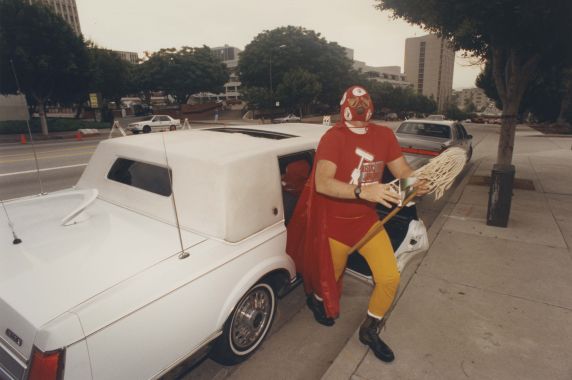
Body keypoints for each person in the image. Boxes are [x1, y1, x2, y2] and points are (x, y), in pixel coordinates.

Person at [286, 85, 428, 363]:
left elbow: (403, 173)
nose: (360, 108)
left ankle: (370, 330)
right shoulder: (333, 138)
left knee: (389, 277)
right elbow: (322, 182)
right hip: (335, 227)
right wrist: (365, 191)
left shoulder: (384, 135)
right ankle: (316, 301)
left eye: (365, 103)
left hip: (367, 222)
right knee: (329, 277)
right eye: (355, 103)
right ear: (345, 106)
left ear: (372, 106)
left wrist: (416, 183)